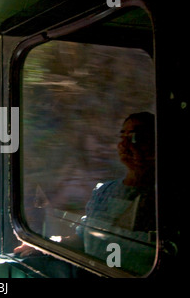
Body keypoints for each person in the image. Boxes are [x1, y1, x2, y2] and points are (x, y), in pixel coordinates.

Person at [14, 112, 156, 275]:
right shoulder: (104, 192)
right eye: (122, 136)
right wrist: (43, 245)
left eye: (136, 137)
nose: (124, 144)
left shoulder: (160, 199)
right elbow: (83, 239)